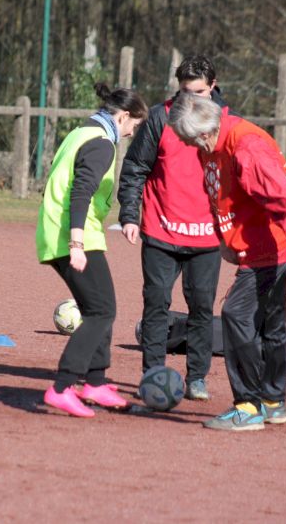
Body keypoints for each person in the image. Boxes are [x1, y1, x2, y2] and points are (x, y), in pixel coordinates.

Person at [168, 92, 286, 432]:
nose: (187, 146)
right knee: (270, 326)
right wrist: (225, 238)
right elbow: (217, 193)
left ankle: (248, 405)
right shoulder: (212, 146)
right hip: (257, 246)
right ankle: (273, 401)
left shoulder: (247, 149)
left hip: (268, 249)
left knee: (236, 315)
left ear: (203, 134)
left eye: (187, 140)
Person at [118, 55, 226, 401]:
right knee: (156, 305)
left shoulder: (226, 121)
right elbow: (135, 167)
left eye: (199, 92)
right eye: (185, 92)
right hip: (160, 231)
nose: (191, 99)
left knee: (201, 308)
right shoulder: (160, 117)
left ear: (213, 86)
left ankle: (197, 378)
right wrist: (130, 215)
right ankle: (153, 374)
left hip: (207, 236)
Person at [36, 83, 147, 417]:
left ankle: (96, 383)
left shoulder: (81, 132)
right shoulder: (101, 143)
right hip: (73, 236)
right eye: (133, 125)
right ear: (123, 116)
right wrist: (76, 245)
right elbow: (80, 192)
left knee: (98, 307)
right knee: (102, 311)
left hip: (63, 233)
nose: (131, 132)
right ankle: (62, 387)